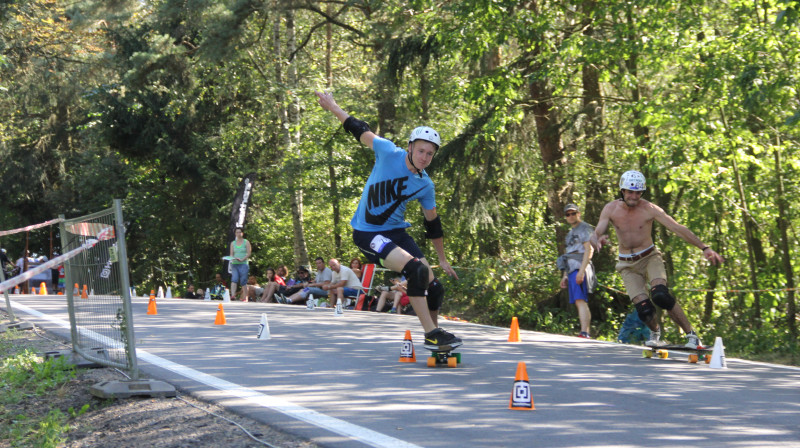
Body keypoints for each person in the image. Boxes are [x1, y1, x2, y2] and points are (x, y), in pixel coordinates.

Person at [315, 90, 462, 351]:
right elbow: (358, 128)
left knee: (434, 286)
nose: (424, 157)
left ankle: (436, 339)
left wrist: (441, 259)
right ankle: (431, 333)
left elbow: (433, 225)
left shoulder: (425, 185)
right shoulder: (387, 152)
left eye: (430, 154)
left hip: (397, 233)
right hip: (368, 234)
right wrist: (334, 107)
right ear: (409, 147)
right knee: (416, 271)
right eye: (420, 150)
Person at [590, 170, 724, 348]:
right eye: (630, 192)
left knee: (661, 295)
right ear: (622, 191)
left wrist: (704, 247)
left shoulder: (649, 209)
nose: (634, 196)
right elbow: (597, 231)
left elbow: (677, 227)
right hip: (626, 265)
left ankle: (691, 335)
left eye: (638, 192)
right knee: (644, 309)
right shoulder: (611, 209)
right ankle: (655, 333)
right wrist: (597, 240)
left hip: (650, 257)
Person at [556, 203, 595, 338]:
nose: (571, 216)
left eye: (573, 213)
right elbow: (568, 256)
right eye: (568, 214)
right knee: (579, 301)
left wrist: (582, 271)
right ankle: (584, 331)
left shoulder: (584, 228)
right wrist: (565, 275)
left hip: (580, 267)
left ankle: (585, 332)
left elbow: (589, 250)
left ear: (578, 213)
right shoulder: (570, 234)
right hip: (571, 269)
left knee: (580, 300)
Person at [228, 227, 251, 299]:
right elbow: (231, 254)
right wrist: (233, 258)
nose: (238, 233)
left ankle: (245, 297)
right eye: (237, 232)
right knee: (234, 279)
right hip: (235, 263)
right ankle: (233, 295)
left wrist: (242, 259)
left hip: (243, 263)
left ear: (242, 233)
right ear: (235, 233)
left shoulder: (246, 242)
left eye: (240, 232)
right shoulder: (233, 243)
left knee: (243, 280)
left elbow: (249, 253)